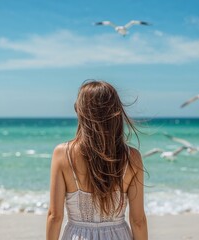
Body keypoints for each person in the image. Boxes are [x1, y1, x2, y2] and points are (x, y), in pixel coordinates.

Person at [46, 80, 148, 240]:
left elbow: (55, 216)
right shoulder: (131, 157)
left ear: (78, 110)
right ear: (116, 112)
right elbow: (138, 220)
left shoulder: (62, 154)